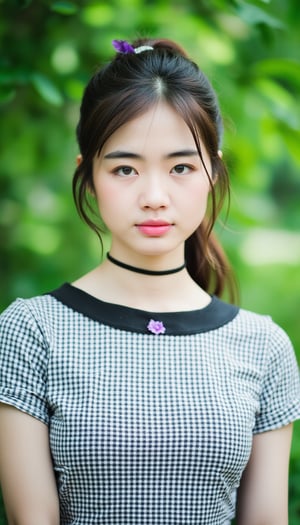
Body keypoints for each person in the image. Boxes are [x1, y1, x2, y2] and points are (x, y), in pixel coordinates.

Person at [0, 37, 299, 525]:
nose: (155, 196)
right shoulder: (32, 333)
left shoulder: (262, 346)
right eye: (125, 168)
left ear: (214, 172)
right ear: (89, 177)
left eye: (181, 166)